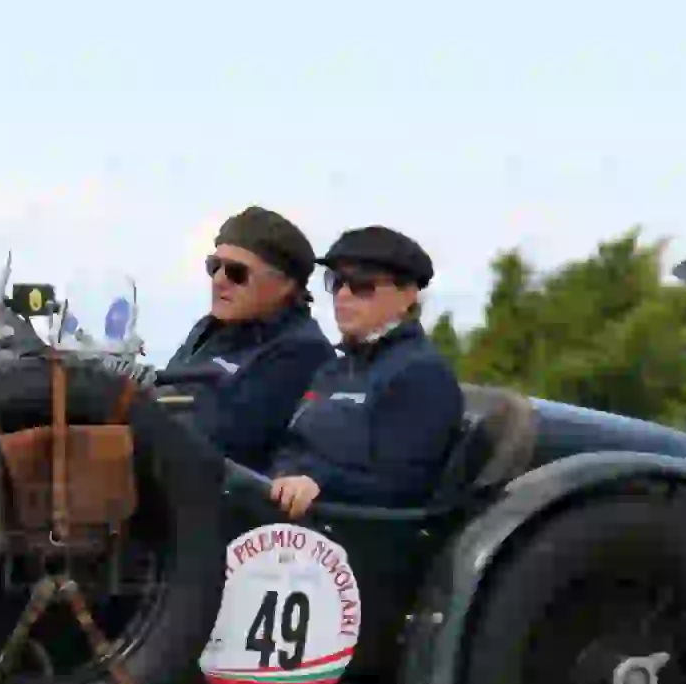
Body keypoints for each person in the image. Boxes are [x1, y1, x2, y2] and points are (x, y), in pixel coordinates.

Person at [267, 225, 466, 518]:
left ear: (407, 295)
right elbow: (292, 447)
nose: (342, 296)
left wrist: (319, 483)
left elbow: (404, 487)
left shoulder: (421, 373)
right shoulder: (333, 369)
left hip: (353, 535)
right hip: (294, 518)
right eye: (335, 282)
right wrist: (285, 475)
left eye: (361, 285)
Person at [160, 205, 337, 473]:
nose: (219, 280)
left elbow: (217, 437)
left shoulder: (301, 351)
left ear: (285, 284)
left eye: (236, 272)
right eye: (214, 267)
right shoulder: (209, 330)